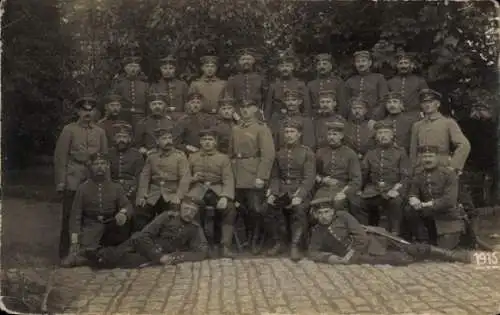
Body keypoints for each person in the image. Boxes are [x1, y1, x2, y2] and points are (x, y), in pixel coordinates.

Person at [307, 197, 472, 266]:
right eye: (320, 213)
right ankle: (421, 257)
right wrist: (330, 258)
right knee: (402, 259)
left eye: (327, 212)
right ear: (315, 215)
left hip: (373, 242)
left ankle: (453, 256)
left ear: (332, 211)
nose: (324, 216)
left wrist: (349, 255)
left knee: (413, 248)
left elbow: (361, 236)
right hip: (364, 257)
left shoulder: (343, 216)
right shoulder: (317, 231)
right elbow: (313, 252)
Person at [79, 199, 209, 269]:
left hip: (159, 254)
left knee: (128, 260)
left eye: (193, 211)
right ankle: (94, 256)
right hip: (147, 246)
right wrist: (158, 256)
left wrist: (174, 257)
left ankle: (94, 257)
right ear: (180, 208)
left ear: (196, 213)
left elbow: (200, 252)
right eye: (186, 208)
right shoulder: (167, 217)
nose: (188, 213)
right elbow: (145, 234)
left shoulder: (195, 228)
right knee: (136, 237)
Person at [54, 95, 108, 260]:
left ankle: (88, 252)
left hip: (93, 178)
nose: (87, 112)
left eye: (91, 109)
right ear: (78, 111)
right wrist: (61, 182)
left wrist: (106, 182)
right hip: (74, 178)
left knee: (91, 216)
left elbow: (104, 158)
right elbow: (60, 157)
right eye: (84, 109)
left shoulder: (100, 132)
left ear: (95, 112)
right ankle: (65, 254)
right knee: (70, 216)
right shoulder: (69, 130)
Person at [60, 152, 133, 267]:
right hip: (91, 227)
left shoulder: (116, 187)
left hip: (111, 228)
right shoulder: (83, 188)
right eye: (96, 164)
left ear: (107, 166)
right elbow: (76, 216)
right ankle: (85, 256)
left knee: (117, 251)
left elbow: (127, 205)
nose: (100, 166)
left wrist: (123, 213)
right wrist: (74, 240)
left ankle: (99, 258)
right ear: (90, 167)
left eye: (103, 163)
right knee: (85, 251)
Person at [228, 99, 275, 253]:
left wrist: (261, 176)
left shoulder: (261, 128)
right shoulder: (235, 129)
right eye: (242, 107)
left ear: (255, 108)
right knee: (241, 208)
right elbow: (231, 154)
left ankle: (257, 240)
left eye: (249, 106)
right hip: (237, 173)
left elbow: (268, 155)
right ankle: (245, 239)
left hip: (253, 173)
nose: (245, 110)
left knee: (256, 209)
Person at [266, 120, 315, 261]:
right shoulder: (279, 153)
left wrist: (299, 195)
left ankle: (295, 245)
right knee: (270, 207)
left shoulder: (307, 153)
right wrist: (273, 193)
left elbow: (309, 178)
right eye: (286, 132)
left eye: (292, 132)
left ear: (299, 134)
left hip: (300, 190)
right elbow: (275, 177)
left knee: (299, 209)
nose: (289, 135)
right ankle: (279, 242)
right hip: (282, 190)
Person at [185, 128, 237, 258]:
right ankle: (201, 245)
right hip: (197, 190)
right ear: (200, 142)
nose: (207, 142)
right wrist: (193, 179)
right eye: (204, 140)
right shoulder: (192, 157)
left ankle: (225, 246)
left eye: (210, 140)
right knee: (192, 208)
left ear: (215, 142)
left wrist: (225, 196)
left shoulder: (223, 158)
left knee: (229, 208)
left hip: (217, 190)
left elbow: (228, 179)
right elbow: (185, 178)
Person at [353, 120, 410, 234]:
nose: (383, 136)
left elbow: (406, 176)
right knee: (357, 201)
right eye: (380, 133)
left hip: (392, 189)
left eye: (386, 132)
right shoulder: (371, 153)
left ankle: (395, 233)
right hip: (373, 190)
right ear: (376, 136)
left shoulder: (401, 152)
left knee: (396, 202)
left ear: (392, 135)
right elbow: (363, 174)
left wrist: (397, 190)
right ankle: (365, 231)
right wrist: (358, 189)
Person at [406, 145, 466, 249]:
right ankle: (422, 240)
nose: (427, 160)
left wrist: (426, 204)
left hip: (447, 216)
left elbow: (449, 201)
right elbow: (413, 192)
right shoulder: (418, 175)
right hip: (429, 216)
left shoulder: (449, 174)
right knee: (409, 210)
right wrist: (413, 198)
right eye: (424, 157)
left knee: (445, 248)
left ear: (437, 157)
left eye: (430, 156)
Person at [134, 127, 190, 232]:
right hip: (154, 192)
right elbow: (144, 177)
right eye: (164, 139)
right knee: (141, 211)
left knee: (172, 217)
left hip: (172, 193)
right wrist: (142, 195)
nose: (168, 141)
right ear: (157, 141)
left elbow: (185, 178)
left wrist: (178, 196)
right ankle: (142, 239)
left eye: (170, 138)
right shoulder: (152, 157)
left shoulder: (180, 156)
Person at [409, 89, 471, 173]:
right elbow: (413, 151)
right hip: (421, 168)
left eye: (430, 102)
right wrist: (413, 169)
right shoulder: (417, 125)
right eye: (424, 102)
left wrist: (453, 166)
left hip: (441, 167)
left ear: (438, 104)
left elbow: (464, 145)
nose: (427, 105)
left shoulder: (448, 122)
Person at [314, 120, 361, 213]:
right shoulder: (320, 152)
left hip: (343, 188)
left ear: (341, 136)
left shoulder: (350, 153)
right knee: (316, 206)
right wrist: (322, 179)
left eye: (335, 134)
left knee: (338, 204)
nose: (331, 137)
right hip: (324, 188)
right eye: (329, 134)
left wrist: (344, 193)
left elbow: (356, 180)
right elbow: (314, 173)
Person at [344, 50, 388, 124]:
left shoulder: (379, 78)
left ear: (369, 63)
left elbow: (383, 100)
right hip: (353, 120)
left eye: (363, 61)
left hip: (372, 119)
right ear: (355, 64)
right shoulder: (350, 81)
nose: (361, 64)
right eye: (358, 61)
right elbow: (346, 102)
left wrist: (375, 118)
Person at [264, 52, 310, 120]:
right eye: (282, 66)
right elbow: (268, 106)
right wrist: (267, 120)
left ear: (293, 67)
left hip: (296, 118)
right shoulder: (273, 85)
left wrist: (306, 119)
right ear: (278, 68)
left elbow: (306, 105)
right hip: (277, 118)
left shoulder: (300, 84)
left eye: (288, 66)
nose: (285, 69)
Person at [108, 121, 144, 204]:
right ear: (114, 138)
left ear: (129, 139)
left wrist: (132, 191)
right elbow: (107, 176)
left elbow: (139, 177)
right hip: (112, 190)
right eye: (119, 137)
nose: (121, 140)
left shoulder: (137, 154)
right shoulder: (109, 153)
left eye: (124, 137)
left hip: (131, 190)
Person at [224, 48, 267, 113]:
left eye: (249, 59)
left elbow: (266, 100)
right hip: (238, 115)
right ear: (239, 62)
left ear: (254, 61)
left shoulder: (261, 79)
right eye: (243, 59)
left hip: (256, 114)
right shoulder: (232, 80)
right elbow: (229, 101)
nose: (246, 62)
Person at [111, 54, 149, 127]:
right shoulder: (119, 84)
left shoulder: (145, 85)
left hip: (140, 115)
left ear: (139, 69)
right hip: (124, 115)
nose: (133, 69)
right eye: (130, 66)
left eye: (135, 66)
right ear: (125, 68)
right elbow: (114, 100)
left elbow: (148, 102)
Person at [134, 92, 175, 157]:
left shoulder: (171, 122)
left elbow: (176, 142)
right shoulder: (142, 123)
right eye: (154, 104)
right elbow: (137, 145)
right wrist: (146, 152)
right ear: (150, 106)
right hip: (149, 156)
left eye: (160, 104)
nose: (157, 106)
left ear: (164, 105)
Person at [149, 55, 189, 120]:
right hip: (161, 118)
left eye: (171, 68)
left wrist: (184, 116)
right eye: (164, 68)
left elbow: (187, 103)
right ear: (160, 69)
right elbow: (150, 105)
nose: (168, 71)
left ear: (175, 69)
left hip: (180, 117)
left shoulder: (182, 85)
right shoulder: (155, 86)